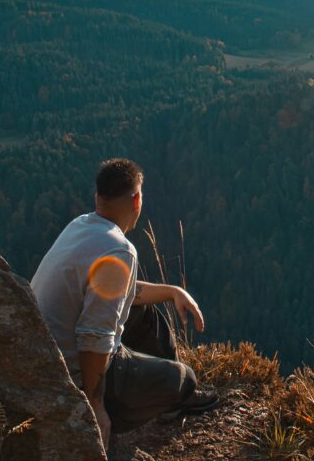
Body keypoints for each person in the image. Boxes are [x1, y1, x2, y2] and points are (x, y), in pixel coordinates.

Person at [30, 158, 218, 446]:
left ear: (98, 196)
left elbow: (119, 291)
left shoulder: (81, 225)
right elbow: (93, 337)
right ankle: (138, 406)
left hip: (44, 354)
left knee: (145, 313)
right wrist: (95, 406)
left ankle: (165, 395)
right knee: (184, 378)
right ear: (137, 200)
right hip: (71, 374)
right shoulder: (120, 250)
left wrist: (173, 291)